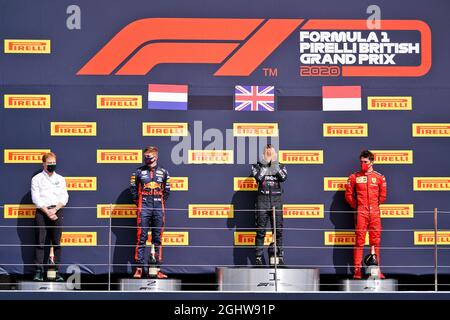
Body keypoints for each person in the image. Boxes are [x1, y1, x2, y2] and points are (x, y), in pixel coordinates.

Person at [345, 150, 387, 279]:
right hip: (361, 212)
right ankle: (357, 271)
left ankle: (376, 271)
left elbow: (383, 196)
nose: (363, 164)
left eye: (365, 162)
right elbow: (348, 195)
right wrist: (358, 207)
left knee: (375, 242)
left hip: (374, 212)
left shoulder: (379, 177)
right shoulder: (354, 177)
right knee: (359, 242)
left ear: (372, 162)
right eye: (361, 161)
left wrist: (373, 206)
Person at [130, 146, 170, 279]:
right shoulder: (138, 172)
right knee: (141, 238)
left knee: (157, 239)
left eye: (150, 158)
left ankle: (156, 269)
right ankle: (139, 268)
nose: (147, 160)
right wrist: (141, 203)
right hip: (144, 207)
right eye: (145, 157)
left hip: (159, 207)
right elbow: (133, 190)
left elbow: (167, 192)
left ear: (156, 157)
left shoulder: (164, 172)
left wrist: (159, 201)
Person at [31, 152, 69, 281]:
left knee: (57, 243)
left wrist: (56, 209)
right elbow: (35, 198)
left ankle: (56, 273)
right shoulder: (36, 179)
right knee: (40, 243)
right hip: (42, 212)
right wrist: (47, 212)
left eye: (54, 163)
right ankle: (38, 272)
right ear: (43, 164)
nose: (52, 165)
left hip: (57, 211)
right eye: (49, 163)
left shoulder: (60, 179)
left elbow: (64, 197)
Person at [251, 144, 288, 266]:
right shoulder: (256, 166)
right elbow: (259, 177)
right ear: (263, 155)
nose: (270, 155)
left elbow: (283, 177)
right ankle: (258, 258)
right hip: (262, 201)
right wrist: (266, 162)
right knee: (261, 231)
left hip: (276, 200)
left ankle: (279, 257)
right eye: (268, 153)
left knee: (278, 231)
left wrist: (274, 163)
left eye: (272, 153)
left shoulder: (280, 165)